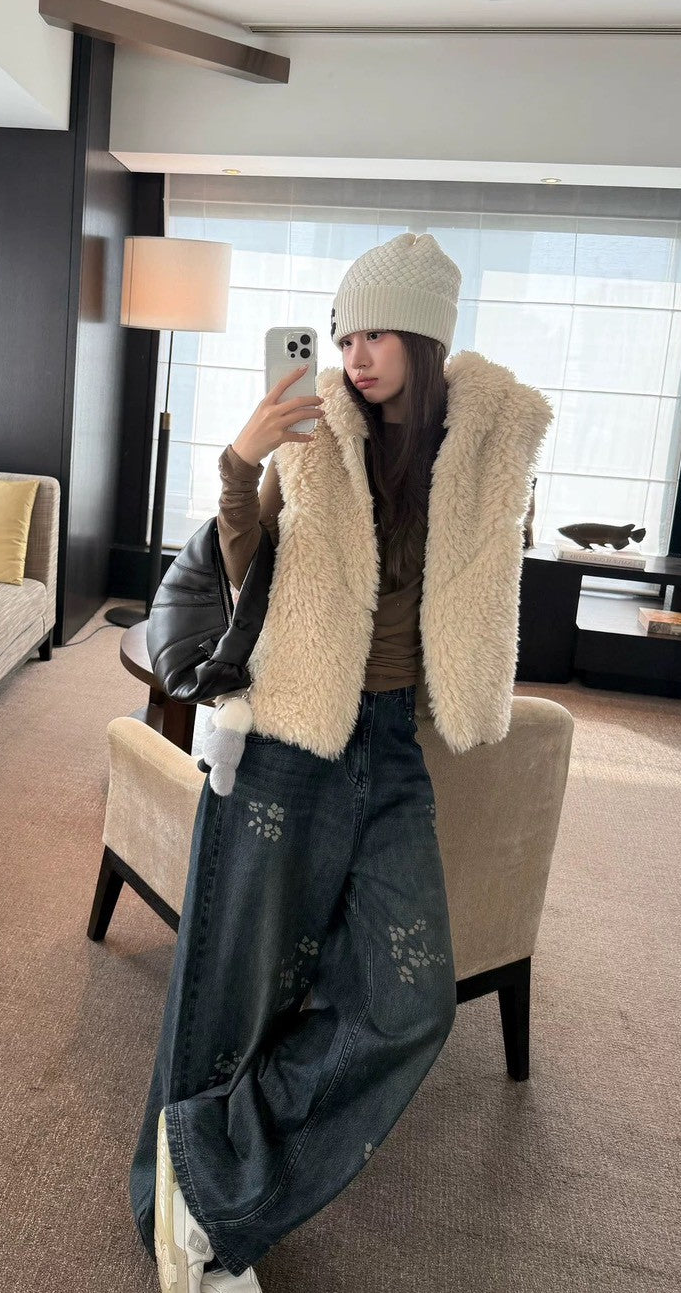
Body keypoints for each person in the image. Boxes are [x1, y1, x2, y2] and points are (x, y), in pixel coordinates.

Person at [129, 232, 554, 1291]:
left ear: (425, 336)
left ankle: (210, 1176)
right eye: (344, 334)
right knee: (232, 986)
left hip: (394, 743)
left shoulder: (484, 448)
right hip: (292, 731)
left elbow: (490, 587)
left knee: (411, 1004)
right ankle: (190, 1222)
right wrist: (243, 462)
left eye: (375, 336)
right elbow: (246, 571)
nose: (354, 356)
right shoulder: (316, 436)